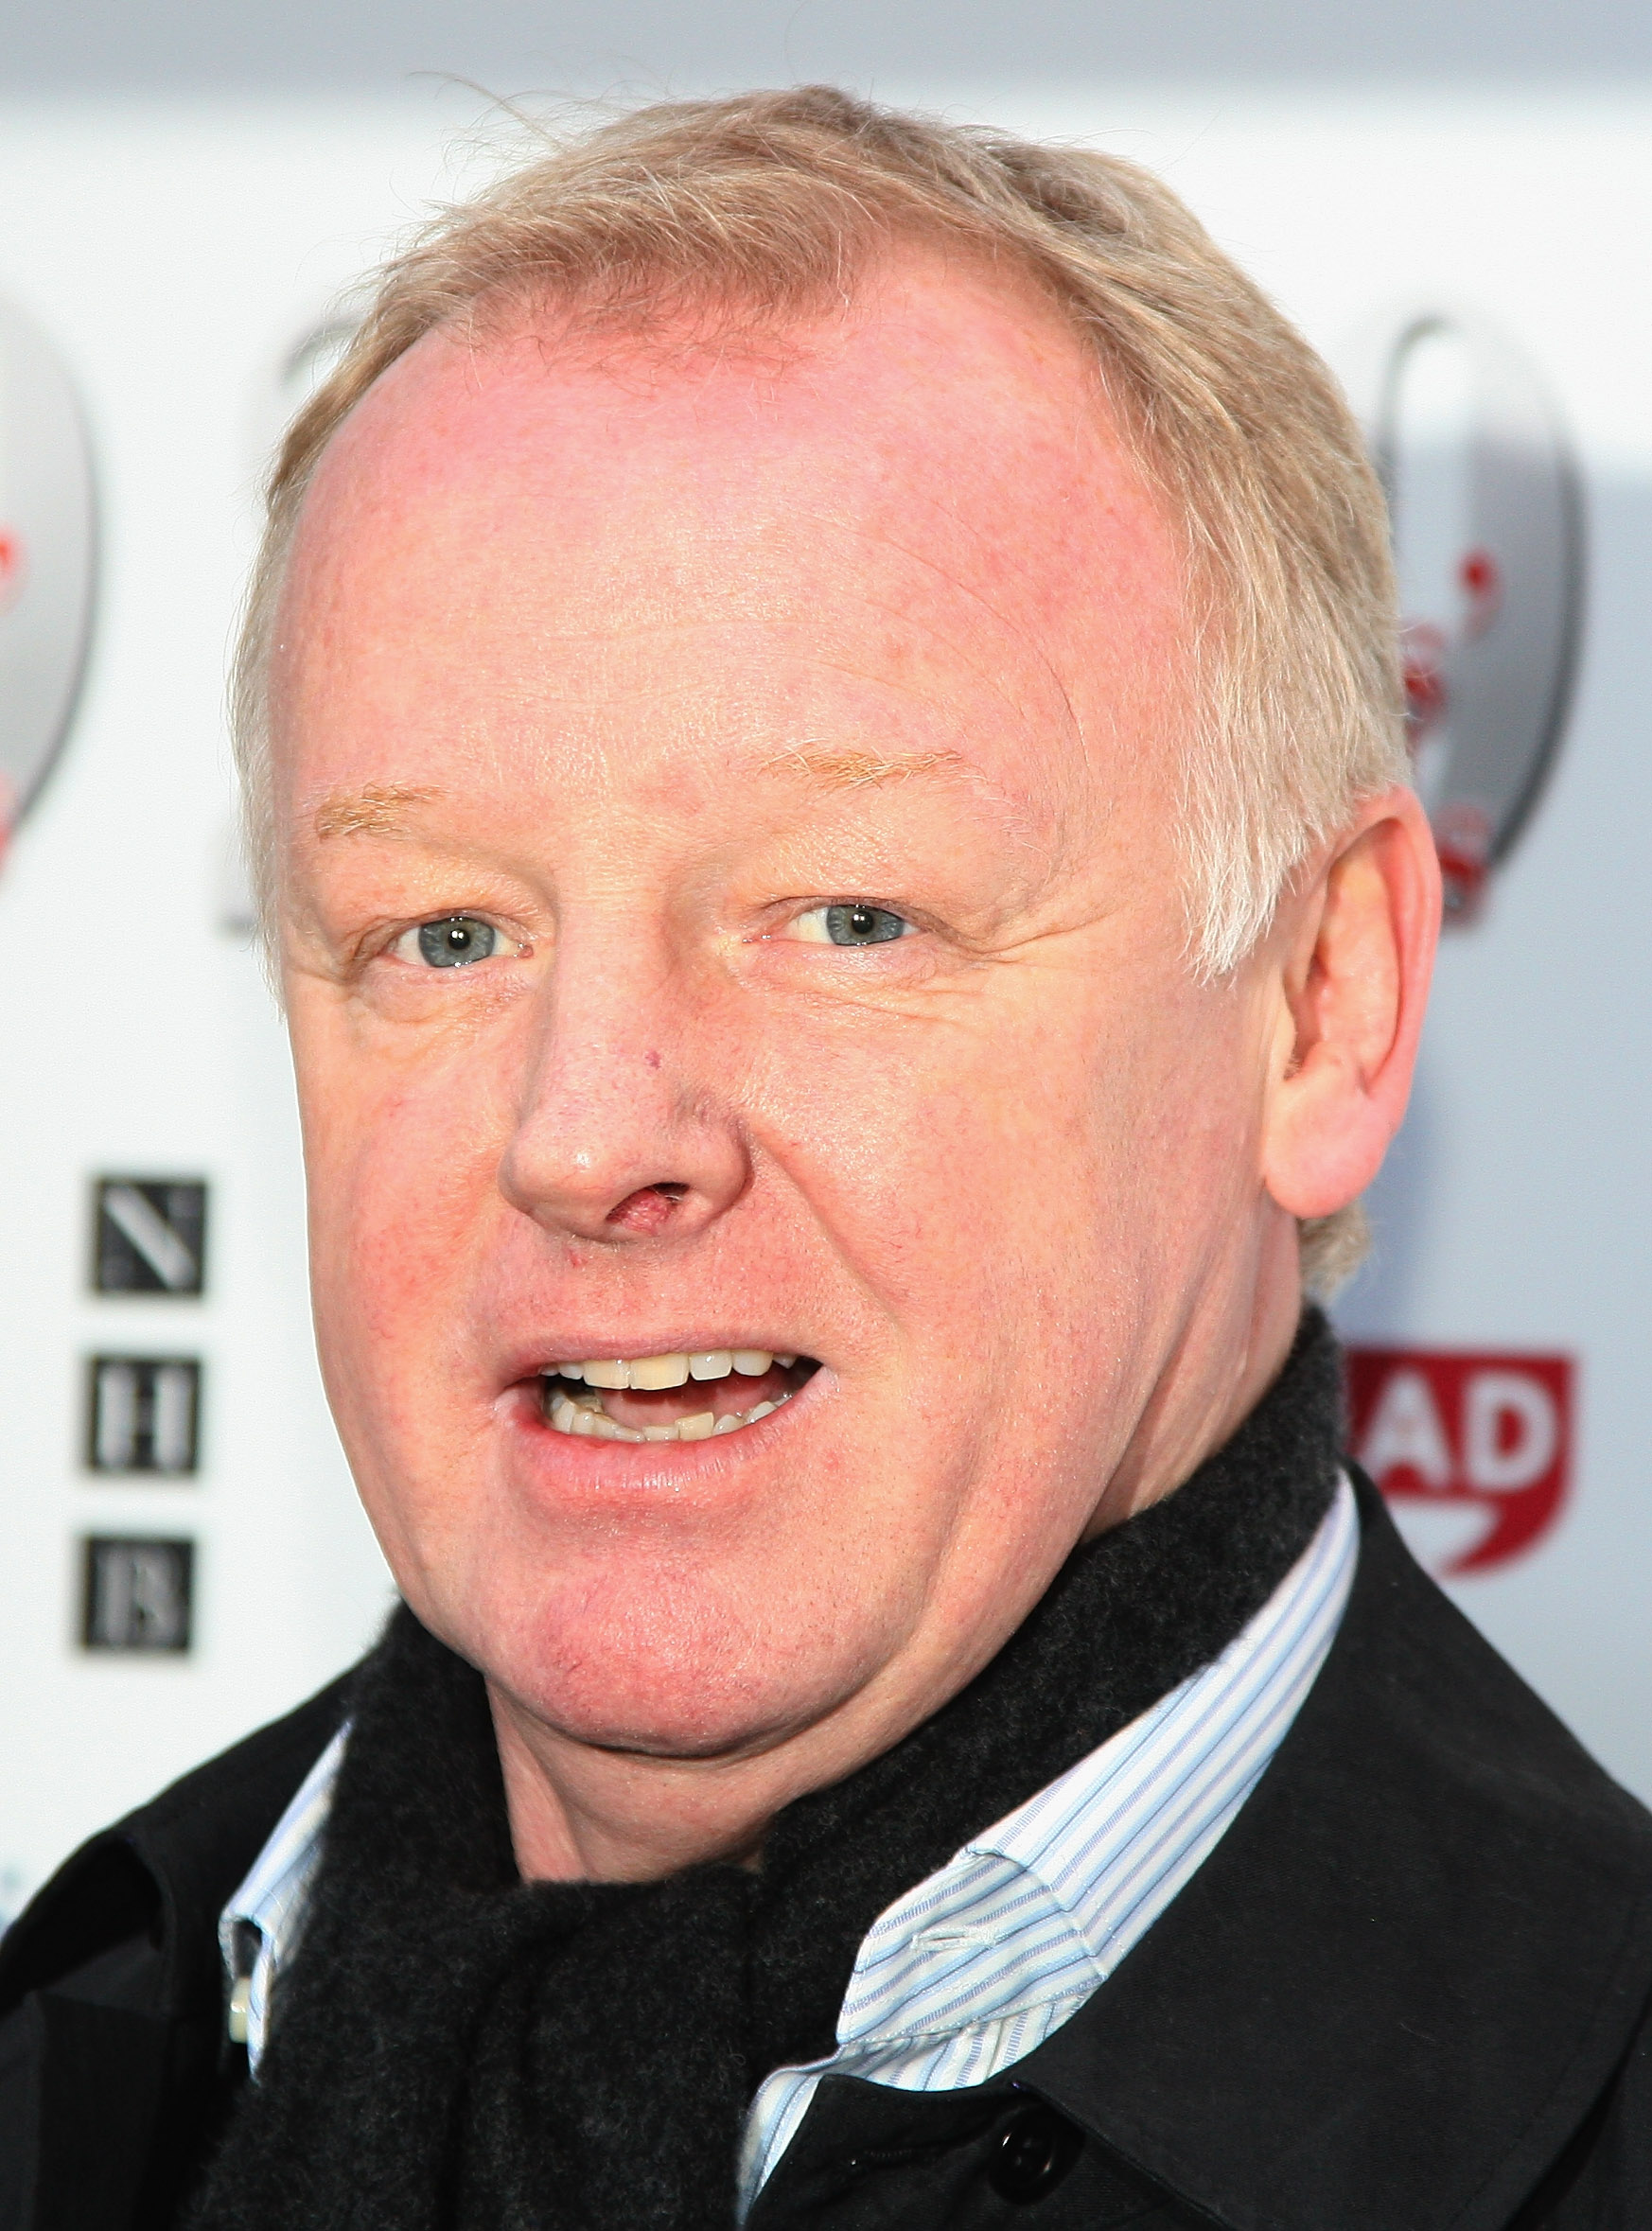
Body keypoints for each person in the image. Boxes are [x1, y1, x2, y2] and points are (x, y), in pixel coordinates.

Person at [3, 85, 1648, 2231]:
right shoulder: (77, 2070)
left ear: (1321, 1002)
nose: (590, 1132)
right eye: (447, 934)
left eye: (849, 916)